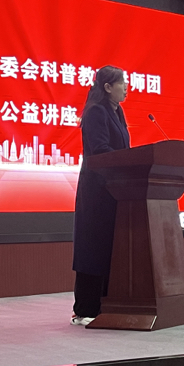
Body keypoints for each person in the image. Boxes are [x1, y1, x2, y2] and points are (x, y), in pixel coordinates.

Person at [70, 65, 130, 326]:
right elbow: (100, 150)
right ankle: (85, 308)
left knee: (109, 249)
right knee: (93, 248)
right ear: (107, 87)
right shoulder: (96, 111)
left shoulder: (117, 111)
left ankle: (107, 303)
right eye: (121, 83)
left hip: (116, 190)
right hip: (97, 191)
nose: (126, 88)